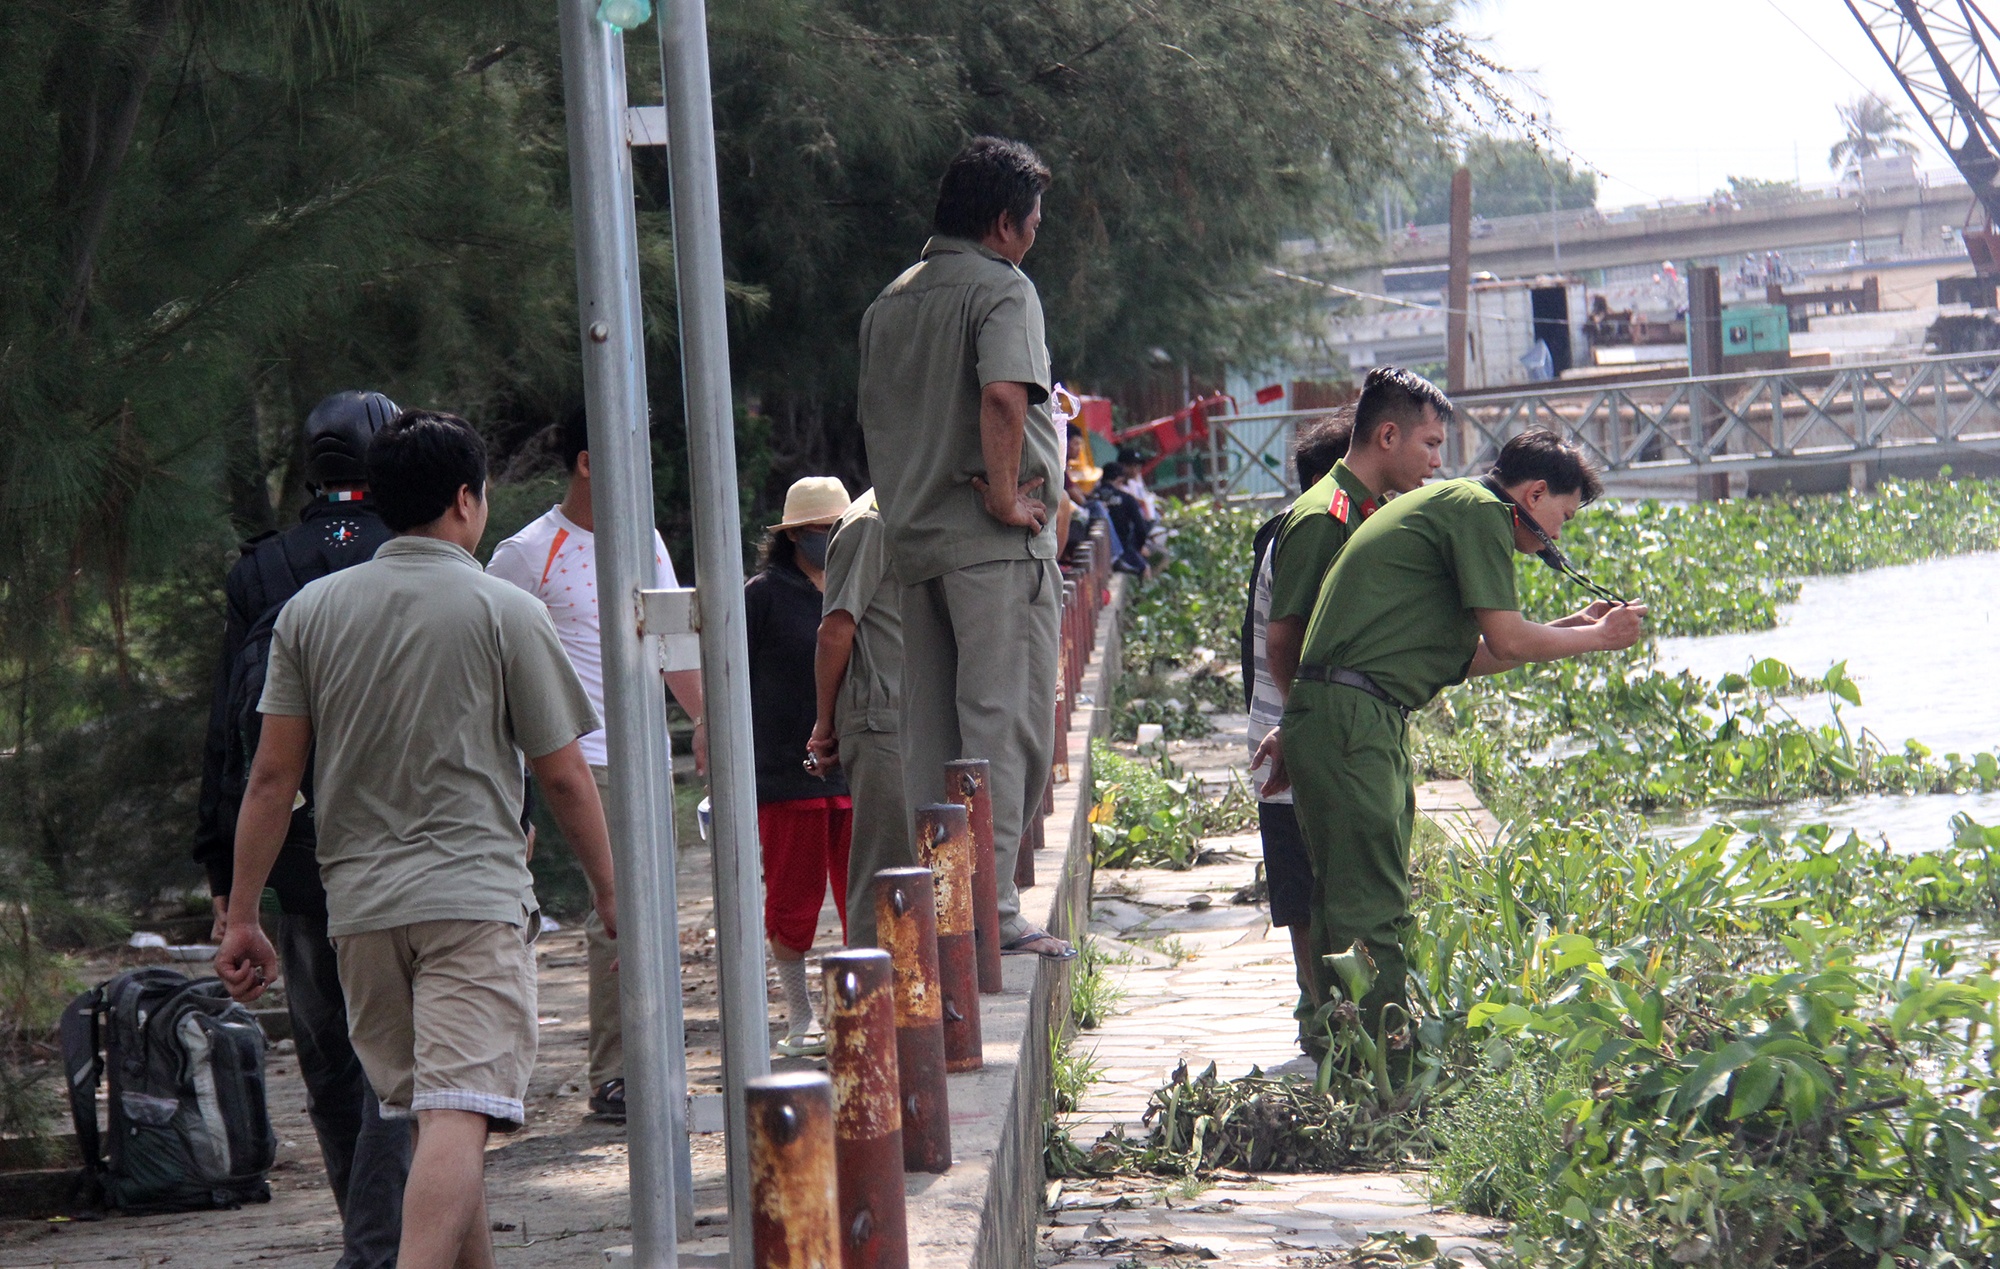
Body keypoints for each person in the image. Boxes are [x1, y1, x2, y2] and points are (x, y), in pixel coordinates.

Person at [216, 411, 617, 1269]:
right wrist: (612, 890)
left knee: (441, 1112)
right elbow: (562, 775)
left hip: (359, 912)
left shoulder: (310, 612)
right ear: (467, 500)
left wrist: (244, 912)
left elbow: (271, 778)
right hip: (470, 901)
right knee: (457, 1115)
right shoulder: (503, 609)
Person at [1274, 428, 1646, 1049]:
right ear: (1532, 494)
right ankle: (1381, 1062)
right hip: (1350, 719)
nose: (1561, 534)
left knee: (1355, 892)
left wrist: (1567, 628)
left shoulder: (1459, 508)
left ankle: (1346, 1047)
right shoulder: (1480, 514)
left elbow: (1467, 655)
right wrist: (1599, 638)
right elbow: (1508, 641)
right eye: (1564, 514)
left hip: (1361, 713)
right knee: (1371, 904)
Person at [191, 388, 411, 1269]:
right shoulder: (420, 550)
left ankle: (373, 1238)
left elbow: (231, 744)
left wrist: (226, 881)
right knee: (398, 1066)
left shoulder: (262, 571)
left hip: (302, 860)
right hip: (405, 844)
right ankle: (376, 1249)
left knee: (332, 1068)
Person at [856, 136, 1073, 959]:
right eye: (1036, 219)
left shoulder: (890, 302)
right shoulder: (1002, 289)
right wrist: (1007, 490)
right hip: (990, 542)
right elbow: (1003, 399)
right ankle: (995, 912)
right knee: (1004, 719)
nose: (1037, 233)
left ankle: (945, 906)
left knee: (931, 736)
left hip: (913, 542)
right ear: (1004, 225)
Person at [485, 408, 707, 1122]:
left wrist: (705, 721)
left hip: (647, 754)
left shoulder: (643, 540)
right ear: (586, 461)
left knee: (656, 904)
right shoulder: (529, 552)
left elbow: (673, 639)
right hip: (583, 756)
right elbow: (492, 658)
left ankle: (652, 1057)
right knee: (619, 905)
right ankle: (617, 1072)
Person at [1239, 410, 1351, 1053]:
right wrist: (1297, 726)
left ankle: (1322, 1011)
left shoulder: (1280, 532)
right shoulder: (1309, 534)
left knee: (1300, 883)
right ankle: (1323, 1014)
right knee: (1306, 884)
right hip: (1286, 734)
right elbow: (1288, 646)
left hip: (1277, 727)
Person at [746, 476, 855, 1054]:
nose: (831, 539)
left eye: (840, 529)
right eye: (822, 530)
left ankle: (861, 1010)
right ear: (794, 536)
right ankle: (799, 1016)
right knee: (792, 899)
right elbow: (731, 678)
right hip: (786, 774)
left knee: (860, 894)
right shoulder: (762, 595)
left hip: (856, 769)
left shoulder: (856, 586)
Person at [807, 489, 911, 948]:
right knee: (885, 871)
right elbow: (835, 630)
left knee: (919, 867)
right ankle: (874, 1009)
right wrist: (824, 725)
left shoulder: (913, 503)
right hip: (881, 717)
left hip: (912, 713)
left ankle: (913, 999)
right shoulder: (870, 521)